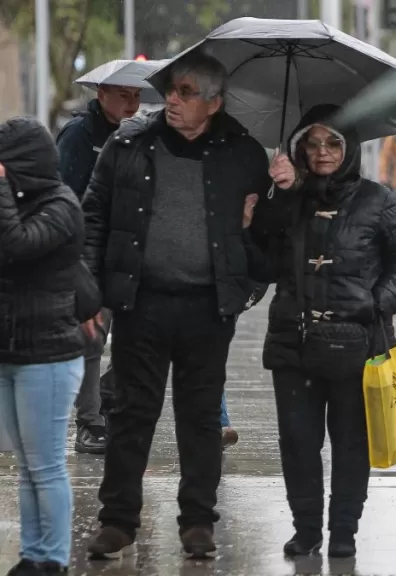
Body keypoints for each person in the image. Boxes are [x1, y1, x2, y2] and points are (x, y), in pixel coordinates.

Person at [80, 51, 271, 560]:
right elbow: (93, 215)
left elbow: (272, 236)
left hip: (208, 310)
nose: (171, 98)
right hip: (140, 303)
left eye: (186, 92)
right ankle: (118, 521)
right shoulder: (129, 143)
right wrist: (93, 293)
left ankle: (197, 524)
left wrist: (247, 278)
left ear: (214, 103)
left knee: (201, 418)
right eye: (169, 89)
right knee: (129, 414)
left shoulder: (245, 155)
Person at [249, 104, 396, 558]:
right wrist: (272, 201)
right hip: (293, 342)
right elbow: (262, 265)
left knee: (351, 445)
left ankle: (344, 529)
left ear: (349, 149)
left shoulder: (378, 200)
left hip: (355, 344)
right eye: (313, 142)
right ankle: (306, 529)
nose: (322, 152)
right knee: (298, 446)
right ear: (299, 147)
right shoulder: (286, 196)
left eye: (333, 143)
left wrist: (375, 304)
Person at [0, 117, 96, 576]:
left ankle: (54, 558)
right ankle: (33, 553)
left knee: (47, 466)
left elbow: (15, 246)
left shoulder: (61, 205)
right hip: (11, 353)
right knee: (26, 466)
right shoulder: (16, 203)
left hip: (50, 356)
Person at [56, 82, 142, 455]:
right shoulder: (80, 134)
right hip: (89, 252)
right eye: (123, 95)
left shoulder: (139, 137)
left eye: (136, 96)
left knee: (141, 341)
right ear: (101, 93)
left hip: (130, 251)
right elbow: (64, 194)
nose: (131, 104)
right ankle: (89, 421)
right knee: (92, 337)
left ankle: (105, 398)